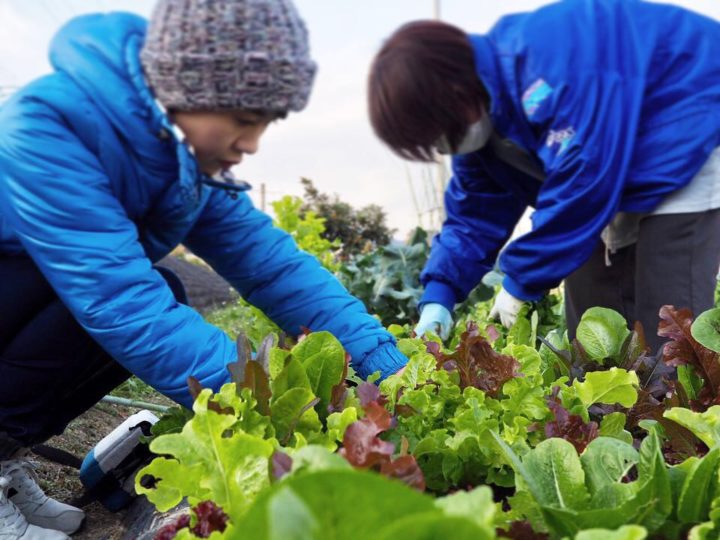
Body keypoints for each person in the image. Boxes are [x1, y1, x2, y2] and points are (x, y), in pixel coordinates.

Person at [0, 1, 408, 537]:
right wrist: (276, 413)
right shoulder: (44, 126)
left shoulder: (185, 168)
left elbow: (275, 270)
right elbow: (121, 304)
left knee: (160, 286)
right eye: (243, 120)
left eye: (264, 123)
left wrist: (389, 368)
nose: (252, 144)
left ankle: (4, 457)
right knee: (109, 303)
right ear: (186, 91)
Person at [367, 0, 720, 350]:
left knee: (670, 325)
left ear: (455, 93)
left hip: (690, 120)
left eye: (438, 134)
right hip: (614, 164)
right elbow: (472, 219)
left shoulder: (550, 59)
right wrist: (438, 296)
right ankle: (620, 402)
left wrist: (521, 279)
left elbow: (585, 178)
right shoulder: (482, 123)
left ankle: (684, 404)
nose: (442, 149)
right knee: (592, 319)